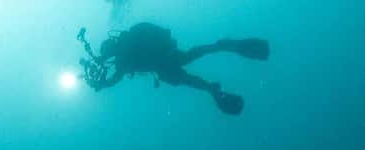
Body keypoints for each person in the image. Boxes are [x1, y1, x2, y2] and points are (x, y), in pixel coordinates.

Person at [78, 23, 269, 115]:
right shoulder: (123, 53)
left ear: (111, 47)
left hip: (162, 62)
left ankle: (211, 86)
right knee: (189, 60)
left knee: (184, 77)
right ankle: (221, 48)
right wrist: (104, 83)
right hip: (164, 59)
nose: (107, 56)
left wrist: (102, 85)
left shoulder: (124, 52)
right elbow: (116, 75)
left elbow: (116, 78)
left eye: (107, 52)